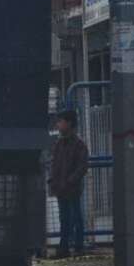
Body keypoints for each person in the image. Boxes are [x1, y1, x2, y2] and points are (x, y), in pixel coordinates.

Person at [49, 108, 89, 258]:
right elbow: (56, 165)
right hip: (64, 187)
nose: (58, 125)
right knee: (66, 218)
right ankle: (66, 247)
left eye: (60, 121)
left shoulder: (76, 145)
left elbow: (82, 167)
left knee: (73, 217)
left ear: (69, 123)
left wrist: (67, 181)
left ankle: (74, 247)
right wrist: (55, 180)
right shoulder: (63, 144)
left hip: (70, 188)